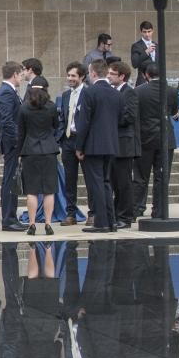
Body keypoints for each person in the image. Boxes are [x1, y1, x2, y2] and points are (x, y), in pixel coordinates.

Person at [75, 59, 122, 233]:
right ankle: (111, 221)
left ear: (93, 73)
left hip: (93, 145)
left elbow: (84, 121)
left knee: (96, 184)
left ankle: (101, 222)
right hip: (110, 144)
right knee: (106, 182)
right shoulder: (116, 93)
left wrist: (79, 146)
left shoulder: (90, 92)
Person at [133, 63, 179, 219]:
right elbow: (174, 111)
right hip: (165, 139)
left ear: (146, 75)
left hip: (145, 138)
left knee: (140, 177)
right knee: (161, 177)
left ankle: (137, 208)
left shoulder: (138, 91)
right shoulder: (171, 91)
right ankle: (159, 209)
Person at [17, 85, 59, 235]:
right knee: (49, 190)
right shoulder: (52, 107)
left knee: (31, 191)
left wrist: (18, 153)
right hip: (49, 150)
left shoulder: (24, 108)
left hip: (30, 150)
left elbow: (21, 133)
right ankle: (48, 224)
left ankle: (32, 224)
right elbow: (56, 126)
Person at [0, 61, 27, 232]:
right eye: (21, 75)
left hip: (11, 142)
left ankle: (11, 217)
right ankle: (8, 219)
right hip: (11, 143)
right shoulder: (7, 92)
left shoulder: (9, 91)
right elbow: (7, 121)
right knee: (9, 180)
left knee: (12, 179)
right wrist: (18, 141)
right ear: (14, 74)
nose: (22, 78)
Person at [107, 61, 140, 229]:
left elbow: (129, 117)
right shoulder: (114, 92)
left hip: (124, 144)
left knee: (123, 182)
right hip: (114, 144)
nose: (108, 76)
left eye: (112, 74)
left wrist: (109, 119)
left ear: (122, 76)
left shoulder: (129, 93)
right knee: (114, 181)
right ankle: (116, 213)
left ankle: (126, 216)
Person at [59, 62, 90, 226]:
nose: (70, 78)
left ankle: (93, 213)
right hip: (68, 141)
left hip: (83, 140)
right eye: (68, 75)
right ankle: (70, 213)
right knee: (69, 179)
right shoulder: (66, 95)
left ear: (82, 77)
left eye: (73, 76)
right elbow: (63, 118)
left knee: (89, 177)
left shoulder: (88, 93)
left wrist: (83, 144)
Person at [131, 21, 156, 86]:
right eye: (144, 32)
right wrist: (146, 52)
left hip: (156, 81)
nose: (147, 34)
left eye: (149, 31)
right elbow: (134, 64)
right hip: (143, 81)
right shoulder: (136, 46)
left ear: (152, 31)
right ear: (141, 32)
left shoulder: (157, 45)